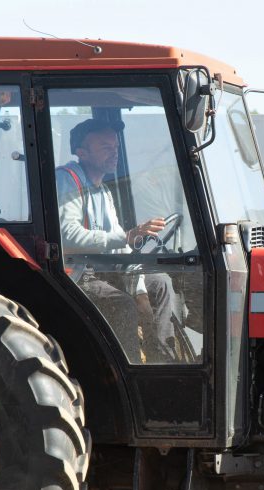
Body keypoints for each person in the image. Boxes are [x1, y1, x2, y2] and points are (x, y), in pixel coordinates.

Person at [55, 118, 178, 363]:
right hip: (75, 275)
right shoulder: (68, 179)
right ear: (82, 152)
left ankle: (162, 361)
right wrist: (128, 236)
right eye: (105, 148)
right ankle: (130, 371)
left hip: (105, 270)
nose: (114, 154)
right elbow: (66, 236)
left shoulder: (103, 190)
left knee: (161, 283)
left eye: (116, 148)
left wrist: (139, 286)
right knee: (122, 304)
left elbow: (121, 245)